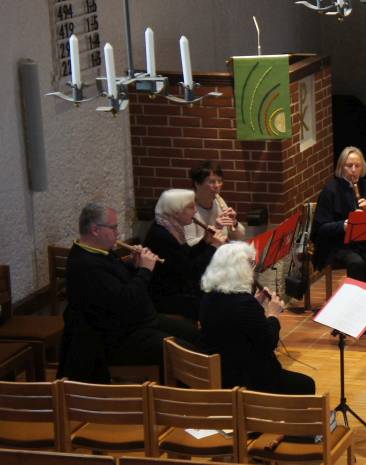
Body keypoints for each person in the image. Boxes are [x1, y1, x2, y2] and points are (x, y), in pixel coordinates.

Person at [59, 203, 200, 383]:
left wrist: (133, 265)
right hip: (116, 338)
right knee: (181, 353)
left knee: (193, 333)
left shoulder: (101, 252)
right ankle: (182, 398)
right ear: (95, 230)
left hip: (138, 322)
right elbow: (125, 299)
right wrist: (145, 271)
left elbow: (116, 280)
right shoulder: (85, 264)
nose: (118, 233)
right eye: (114, 227)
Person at [200, 242, 315, 394]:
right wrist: (273, 314)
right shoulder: (244, 304)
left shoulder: (208, 296)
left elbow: (236, 323)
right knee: (306, 384)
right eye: (252, 263)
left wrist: (256, 304)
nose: (254, 269)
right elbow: (268, 343)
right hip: (246, 380)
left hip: (222, 370)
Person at [314, 147, 366, 327]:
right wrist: (345, 224)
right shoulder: (330, 191)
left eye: (357, 166)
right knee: (356, 262)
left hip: (365, 242)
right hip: (339, 244)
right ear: (341, 168)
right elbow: (321, 227)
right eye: (349, 166)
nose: (353, 170)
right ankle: (354, 311)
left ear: (362, 167)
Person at [145, 188, 227, 320]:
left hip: (179, 288)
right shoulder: (162, 235)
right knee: (216, 301)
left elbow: (187, 256)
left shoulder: (172, 228)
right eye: (190, 207)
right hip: (165, 296)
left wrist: (205, 241)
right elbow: (190, 271)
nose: (195, 211)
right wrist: (213, 247)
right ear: (175, 211)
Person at [185, 161, 246, 247]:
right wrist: (215, 229)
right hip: (205, 258)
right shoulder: (187, 208)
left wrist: (234, 223)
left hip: (223, 253)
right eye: (212, 182)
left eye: (220, 181)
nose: (217, 186)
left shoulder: (218, 202)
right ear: (197, 183)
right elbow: (189, 245)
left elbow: (239, 237)